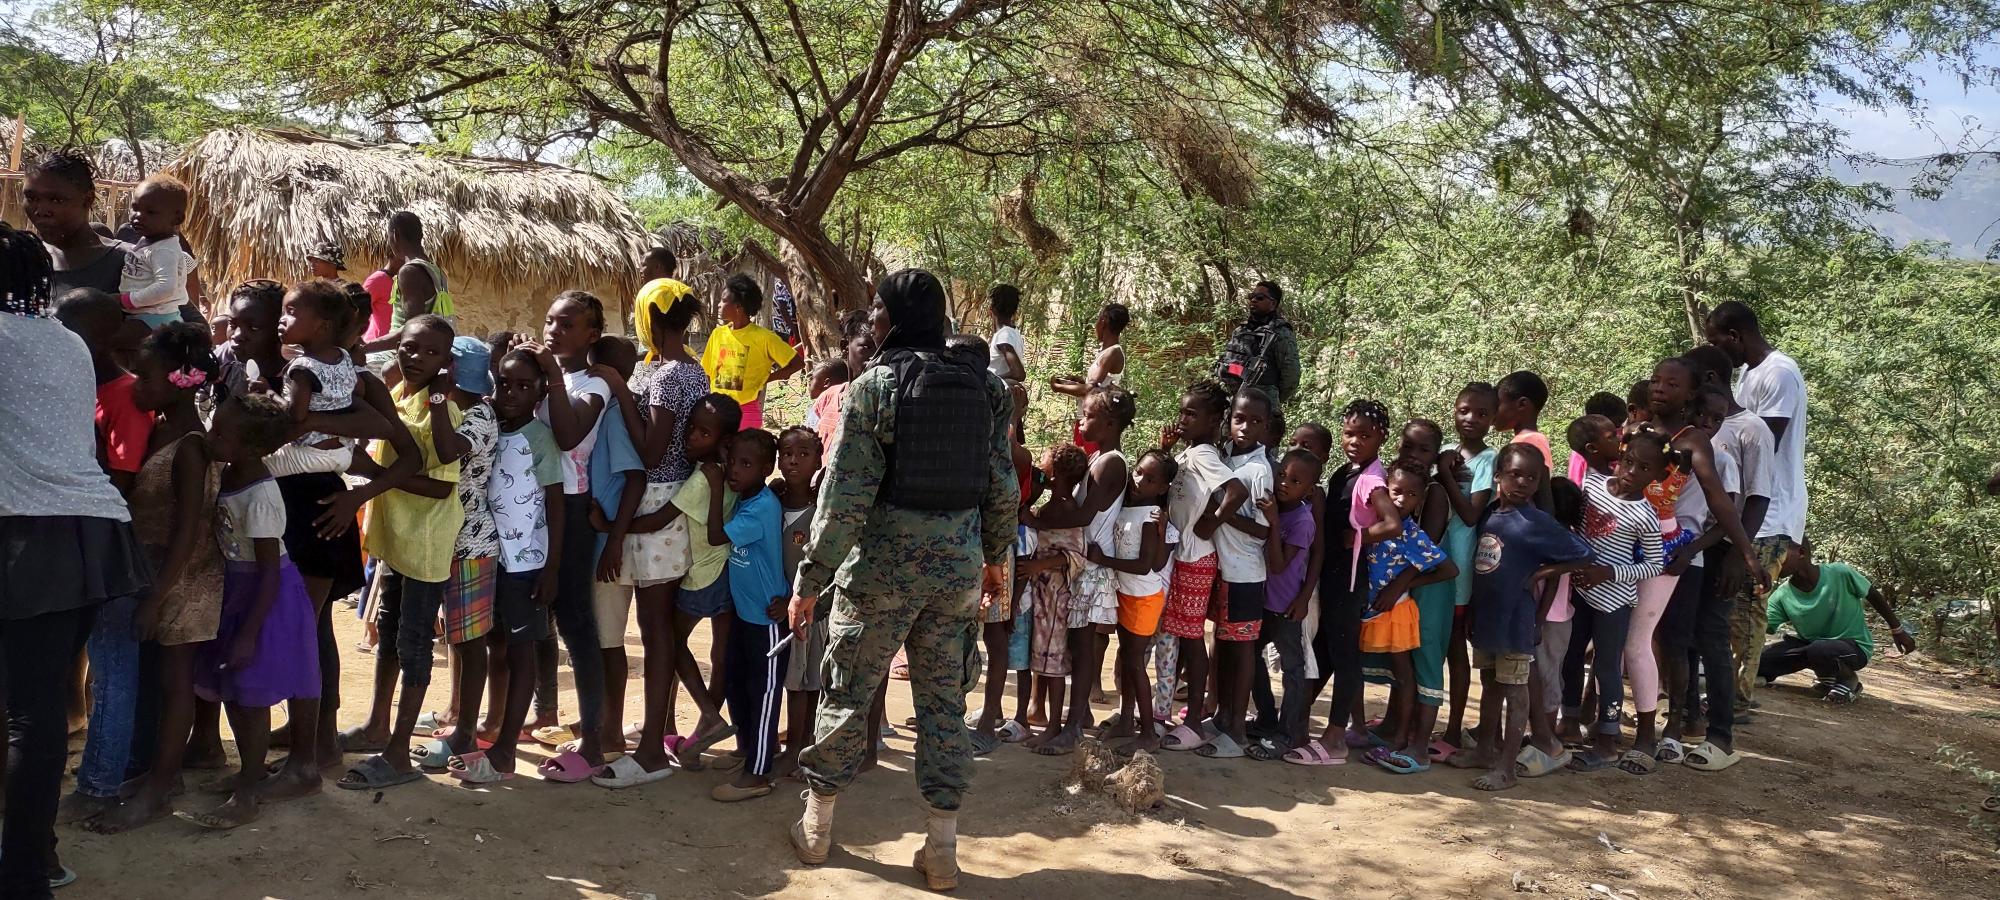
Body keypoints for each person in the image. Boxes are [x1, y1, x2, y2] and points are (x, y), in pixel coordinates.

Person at [786, 269, 1015, 890]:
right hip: (958, 572)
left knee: (847, 691)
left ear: (890, 317)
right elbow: (1001, 487)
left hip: (881, 573)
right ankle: (941, 848)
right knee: (944, 704)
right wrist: (997, 560)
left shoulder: (873, 389)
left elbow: (843, 501)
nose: (874, 322)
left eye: (877, 312)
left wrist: (810, 581)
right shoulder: (988, 390)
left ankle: (817, 827)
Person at [2, 223, 151, 896]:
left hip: (27, 539)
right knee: (36, 711)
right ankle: (37, 862)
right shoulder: (64, 343)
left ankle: (25, 873)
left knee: (24, 716)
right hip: (90, 536)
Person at [83, 323, 227, 834]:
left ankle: (159, 790)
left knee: (175, 685)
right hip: (162, 573)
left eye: (143, 376)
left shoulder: (189, 445)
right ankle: (160, 778)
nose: (135, 385)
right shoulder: (163, 427)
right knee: (162, 681)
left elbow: (190, 530)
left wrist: (155, 598)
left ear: (175, 379)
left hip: (185, 578)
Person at [180, 393, 324, 829]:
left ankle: (249, 791)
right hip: (240, 591)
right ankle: (251, 772)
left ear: (251, 447)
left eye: (222, 433)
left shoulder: (261, 495)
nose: (211, 437)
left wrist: (249, 632)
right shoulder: (228, 472)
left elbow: (268, 571)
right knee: (236, 690)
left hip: (267, 597)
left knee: (252, 691)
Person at [337, 315, 468, 791]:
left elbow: (440, 487)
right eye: (410, 348)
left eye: (429, 353)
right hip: (396, 537)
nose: (415, 358)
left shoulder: (444, 412)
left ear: (445, 364)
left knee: (413, 643)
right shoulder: (396, 396)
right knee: (389, 631)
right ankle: (377, 726)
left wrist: (373, 474)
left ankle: (398, 753)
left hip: (427, 543)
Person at [606, 287, 719, 780]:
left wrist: (616, 389)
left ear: (650, 318)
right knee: (657, 631)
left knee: (654, 633)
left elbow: (652, 452)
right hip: (663, 500)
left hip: (655, 498)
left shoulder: (670, 376)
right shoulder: (691, 370)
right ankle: (659, 730)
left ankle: (652, 750)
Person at [448, 348, 565, 783]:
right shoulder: (489, 426)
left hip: (527, 565)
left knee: (521, 652)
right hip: (489, 557)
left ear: (539, 392)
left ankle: (505, 752)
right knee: (493, 645)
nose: (511, 394)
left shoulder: (541, 437)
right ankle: (484, 730)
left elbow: (556, 504)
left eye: (524, 386)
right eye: (504, 384)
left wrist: (552, 569)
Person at [1457, 444, 1594, 791]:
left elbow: (1584, 554)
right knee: (1490, 684)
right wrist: (1473, 609)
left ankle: (1507, 769)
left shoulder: (1536, 521)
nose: (1523, 482)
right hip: (1488, 617)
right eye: (1515, 474)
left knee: (1517, 693)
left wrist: (1542, 572)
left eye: (1532, 477)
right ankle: (1486, 749)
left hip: (1516, 622)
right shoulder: (1490, 514)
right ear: (1499, 475)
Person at [1704, 301, 1809, 715]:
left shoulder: (1779, 372)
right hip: (1748, 508)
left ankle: (1738, 698)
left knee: (1747, 604)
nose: (1715, 348)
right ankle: (1727, 690)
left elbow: (1767, 443)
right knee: (1732, 607)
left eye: (1716, 341)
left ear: (1734, 336)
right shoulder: (1750, 373)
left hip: (1769, 510)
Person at [1021, 387, 1134, 756]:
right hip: (1081, 563)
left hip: (1089, 567)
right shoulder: (1098, 458)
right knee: (1076, 645)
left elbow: (1085, 517)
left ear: (1110, 423)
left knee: (1084, 649)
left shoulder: (1110, 462)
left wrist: (1039, 519)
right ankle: (1074, 718)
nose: (1080, 421)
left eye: (1087, 415)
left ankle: (1071, 729)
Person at [407, 337, 501, 770]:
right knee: (455, 637)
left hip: (471, 540)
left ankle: (466, 731)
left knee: (469, 640)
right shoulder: (464, 408)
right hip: (449, 535)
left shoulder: (479, 416)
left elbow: (447, 451)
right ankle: (453, 712)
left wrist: (440, 397)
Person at [1562, 426, 1669, 774]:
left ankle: (1607, 741)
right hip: (1578, 590)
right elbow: (1575, 525)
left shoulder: (1646, 515)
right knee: (1571, 656)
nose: (1632, 472)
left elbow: (1654, 564)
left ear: (1657, 474)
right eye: (1628, 462)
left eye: (1643, 468)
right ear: (1620, 458)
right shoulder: (1592, 484)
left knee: (1607, 668)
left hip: (1613, 600)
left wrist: (1608, 573)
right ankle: (1569, 721)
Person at [1357, 461, 1456, 773]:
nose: (1402, 499)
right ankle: (1361, 730)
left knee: (1404, 676)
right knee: (1356, 668)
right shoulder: (1373, 522)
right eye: (1396, 492)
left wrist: (1402, 585)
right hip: (1370, 611)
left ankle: (1401, 740)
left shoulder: (1412, 534)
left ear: (1421, 500)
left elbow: (1448, 569)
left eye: (1411, 495)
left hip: (1396, 612)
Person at [575, 336, 649, 757]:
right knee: (600, 638)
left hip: (608, 543)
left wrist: (614, 541)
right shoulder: (608, 409)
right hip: (601, 536)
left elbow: (635, 478)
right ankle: (602, 720)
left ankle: (612, 731)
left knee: (608, 641)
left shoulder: (617, 413)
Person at [707, 429, 789, 802]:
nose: (734, 471)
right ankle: (747, 750)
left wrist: (712, 488)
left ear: (765, 468)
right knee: (738, 683)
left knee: (765, 692)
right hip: (745, 614)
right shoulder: (749, 496)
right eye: (732, 462)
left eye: (745, 464)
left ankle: (758, 772)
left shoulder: (759, 507)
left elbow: (714, 536)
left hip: (766, 620)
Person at [1196, 389, 1277, 759]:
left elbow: (1263, 530)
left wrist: (1222, 514)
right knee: (1224, 645)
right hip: (1223, 570)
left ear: (1267, 426)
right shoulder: (1225, 456)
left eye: (1256, 421)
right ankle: (1222, 716)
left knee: (1242, 649)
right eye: (1239, 419)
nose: (1245, 427)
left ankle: (1238, 732)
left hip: (1245, 573)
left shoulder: (1259, 471)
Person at [1157, 381, 1235, 752]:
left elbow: (1236, 491)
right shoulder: (1191, 453)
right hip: (1183, 554)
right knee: (1178, 634)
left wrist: (1213, 520)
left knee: (1191, 639)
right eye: (1182, 412)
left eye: (1191, 414)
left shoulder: (1205, 454)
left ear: (1214, 420)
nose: (1182, 419)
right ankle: (1170, 714)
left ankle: (1192, 723)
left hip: (1195, 555)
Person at [1089, 448, 1177, 754]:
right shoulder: (1128, 505)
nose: (1140, 480)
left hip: (1143, 598)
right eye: (1138, 471)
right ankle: (1126, 720)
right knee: (1128, 658)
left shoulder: (1152, 517)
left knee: (1136, 662)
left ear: (1162, 487)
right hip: (1126, 593)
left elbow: (1145, 565)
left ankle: (1149, 732)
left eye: (1150, 479)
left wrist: (1105, 560)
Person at [1760, 541, 1915, 701]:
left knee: (1820, 649)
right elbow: (1761, 623)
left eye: (1779, 553)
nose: (1773, 560)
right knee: (1756, 661)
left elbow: (1873, 595)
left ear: (1801, 552)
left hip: (1853, 647)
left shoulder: (1840, 573)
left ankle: (1847, 679)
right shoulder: (1783, 594)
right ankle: (1827, 674)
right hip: (1811, 648)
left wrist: (1897, 630)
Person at [1242, 448, 1319, 759]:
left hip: (1285, 607)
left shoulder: (1301, 520)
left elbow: (1277, 565)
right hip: (1263, 602)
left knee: (1293, 670)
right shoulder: (1275, 507)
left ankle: (1287, 735)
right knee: (1251, 657)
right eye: (1282, 475)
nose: (1285, 483)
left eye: (1296, 480)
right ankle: (1266, 718)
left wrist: (1274, 523)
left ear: (1309, 489)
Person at [1435, 382, 1497, 754]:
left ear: (1492, 418)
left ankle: (1453, 729)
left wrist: (1444, 473)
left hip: (1459, 570)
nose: (1470, 419)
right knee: (1428, 644)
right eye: (1463, 410)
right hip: (1431, 563)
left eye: (1480, 413)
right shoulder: (1443, 452)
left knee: (1455, 649)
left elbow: (1471, 513)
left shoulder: (1488, 460)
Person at [771, 427, 825, 775]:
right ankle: (796, 745)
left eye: (803, 453)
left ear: (818, 460)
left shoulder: (821, 510)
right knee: (793, 679)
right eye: (787, 453)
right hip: (777, 607)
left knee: (805, 682)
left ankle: (798, 750)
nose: (793, 460)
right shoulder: (770, 503)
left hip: (810, 610)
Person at [269, 281, 361, 476]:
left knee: (254, 466)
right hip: (344, 451)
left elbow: (296, 416)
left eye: (291, 312)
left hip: (312, 454)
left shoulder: (303, 368)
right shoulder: (343, 356)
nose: (281, 320)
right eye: (282, 312)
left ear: (323, 326)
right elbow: (355, 389)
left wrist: (268, 393)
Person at [25, 149, 133, 298]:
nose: (41, 210)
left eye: (56, 200)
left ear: (87, 199)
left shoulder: (131, 262)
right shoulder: (19, 258)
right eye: (31, 198)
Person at [700, 273, 802, 430]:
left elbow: (796, 363)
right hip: (716, 410)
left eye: (723, 301)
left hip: (746, 412)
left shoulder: (764, 338)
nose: (719, 305)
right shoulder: (717, 335)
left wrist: (767, 378)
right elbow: (707, 374)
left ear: (738, 307)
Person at [359, 211, 452, 359]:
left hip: (404, 354)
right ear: (420, 236)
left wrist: (365, 347)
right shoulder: (436, 271)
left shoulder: (409, 272)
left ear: (395, 235)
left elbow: (412, 330)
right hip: (428, 350)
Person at [116, 175, 198, 329]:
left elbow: (166, 287)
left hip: (156, 318)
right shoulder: (148, 242)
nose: (138, 216)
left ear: (177, 219)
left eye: (151, 212)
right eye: (135, 208)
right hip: (144, 314)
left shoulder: (164, 250)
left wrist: (126, 300)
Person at [1051, 304, 1128, 453]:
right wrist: (1078, 382)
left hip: (1096, 423)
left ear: (1104, 321)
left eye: (1098, 319)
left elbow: (1090, 389)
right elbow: (1096, 387)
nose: (1096, 325)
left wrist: (1058, 387)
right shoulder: (1105, 352)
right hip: (1086, 418)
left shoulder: (1113, 352)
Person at [1212, 281, 1300, 407]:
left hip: (1261, 407)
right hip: (1231, 402)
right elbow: (1229, 365)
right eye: (1251, 296)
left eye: (1260, 298)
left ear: (1273, 304)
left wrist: (1272, 399)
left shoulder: (1281, 333)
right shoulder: (1240, 331)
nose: (1253, 300)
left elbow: (1291, 377)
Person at [811, 316, 878, 449]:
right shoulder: (827, 398)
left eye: (880, 349)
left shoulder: (881, 403)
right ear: (844, 346)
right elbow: (807, 442)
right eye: (867, 347)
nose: (874, 356)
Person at [987, 283, 1027, 382]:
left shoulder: (1003, 336)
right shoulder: (1013, 332)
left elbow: (1018, 374)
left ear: (992, 309)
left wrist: (990, 379)